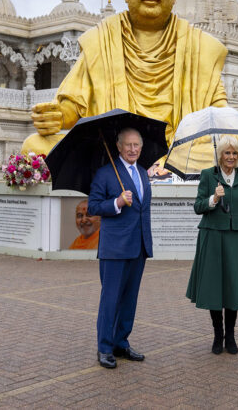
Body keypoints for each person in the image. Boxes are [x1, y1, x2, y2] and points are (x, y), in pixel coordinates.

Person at [21, 0, 228, 156]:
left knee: (228, 148)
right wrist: (57, 116)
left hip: (179, 150)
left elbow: (221, 113)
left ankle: (160, 164)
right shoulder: (100, 40)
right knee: (34, 145)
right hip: (114, 148)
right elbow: (74, 106)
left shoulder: (201, 47)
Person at [87, 128, 153, 369]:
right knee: (110, 300)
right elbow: (93, 207)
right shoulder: (105, 174)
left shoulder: (144, 173)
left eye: (137, 145)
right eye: (128, 145)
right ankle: (104, 348)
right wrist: (116, 202)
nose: (133, 149)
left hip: (139, 247)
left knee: (129, 300)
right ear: (118, 146)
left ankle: (120, 342)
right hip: (114, 249)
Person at [186, 136, 238, 355]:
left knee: (233, 286)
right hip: (212, 237)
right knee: (215, 286)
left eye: (235, 153)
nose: (231, 157)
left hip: (236, 238)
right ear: (220, 155)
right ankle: (217, 336)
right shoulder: (208, 176)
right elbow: (198, 207)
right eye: (227, 153)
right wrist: (214, 199)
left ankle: (231, 336)